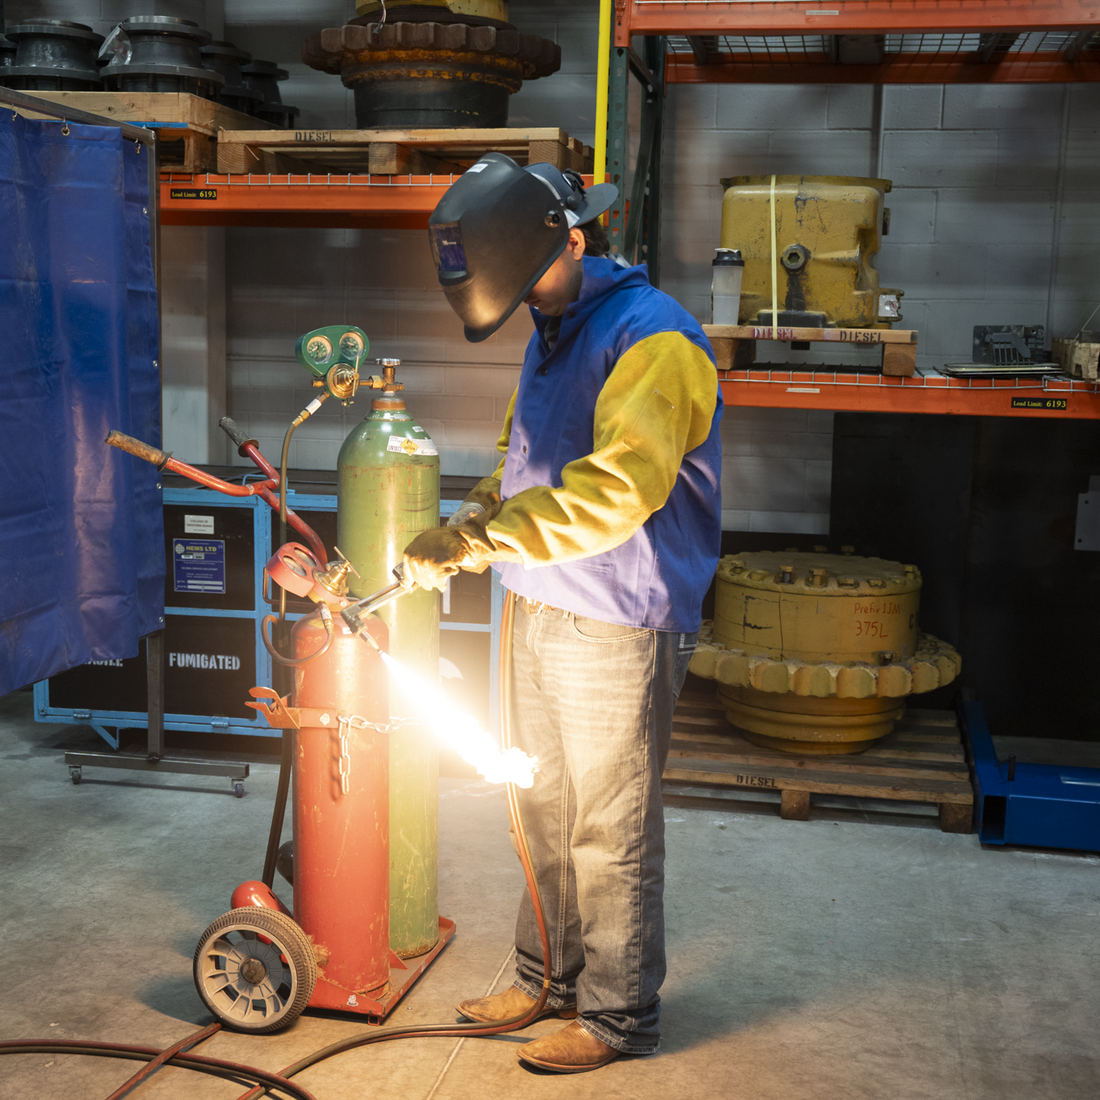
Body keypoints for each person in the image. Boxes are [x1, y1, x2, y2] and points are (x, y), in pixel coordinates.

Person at [402, 153, 724, 1073]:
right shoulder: (554, 321)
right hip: (539, 603)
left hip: (619, 617)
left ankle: (621, 1018)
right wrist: (469, 518)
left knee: (607, 827)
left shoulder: (654, 338)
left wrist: (482, 545)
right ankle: (547, 978)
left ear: (573, 241)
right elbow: (522, 454)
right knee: (540, 805)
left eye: (530, 286)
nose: (525, 307)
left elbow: (619, 488)